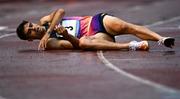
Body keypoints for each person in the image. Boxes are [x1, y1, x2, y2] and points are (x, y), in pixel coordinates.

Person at [16, 8, 175, 51]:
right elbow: (77, 45)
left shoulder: (45, 21)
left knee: (124, 26)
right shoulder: (49, 44)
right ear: (30, 39)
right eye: (30, 31)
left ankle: (161, 39)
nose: (34, 28)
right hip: (96, 38)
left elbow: (61, 11)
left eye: (30, 25)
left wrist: (49, 30)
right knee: (85, 43)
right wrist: (67, 35)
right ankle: (131, 45)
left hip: (96, 22)